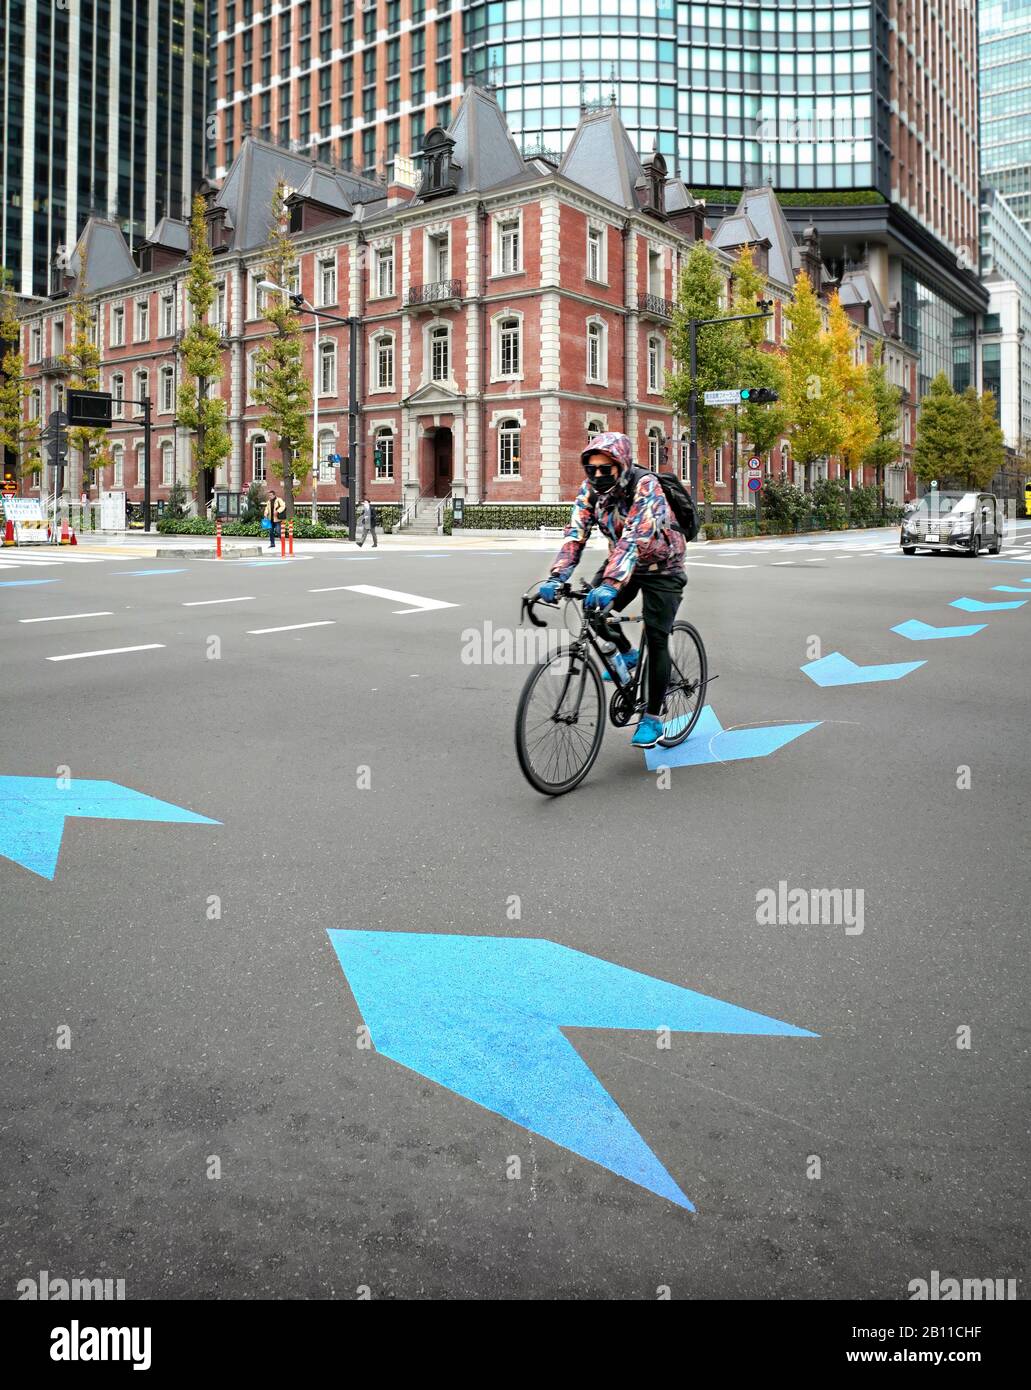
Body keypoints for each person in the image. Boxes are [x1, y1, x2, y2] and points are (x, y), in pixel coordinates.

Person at [538, 431, 687, 749]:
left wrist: (609, 584)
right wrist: (556, 577)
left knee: (658, 638)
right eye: (592, 469)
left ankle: (653, 716)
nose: (598, 475)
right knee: (592, 611)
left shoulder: (645, 485)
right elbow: (575, 533)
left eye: (606, 469)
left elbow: (635, 536)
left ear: (621, 464)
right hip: (624, 563)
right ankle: (629, 655)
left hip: (664, 567)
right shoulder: (590, 491)